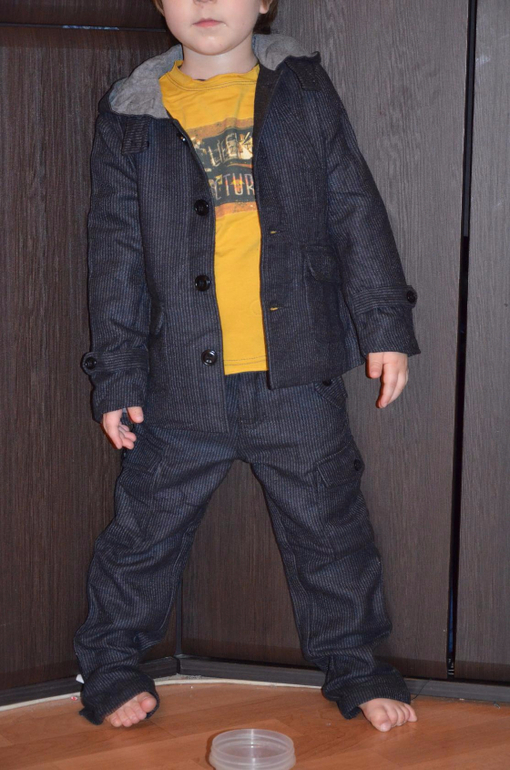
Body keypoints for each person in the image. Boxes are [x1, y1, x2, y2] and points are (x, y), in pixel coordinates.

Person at [74, 0, 421, 733]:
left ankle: (357, 666)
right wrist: (118, 376)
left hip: (296, 378)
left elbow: (353, 205)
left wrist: (384, 324)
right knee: (142, 535)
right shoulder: (132, 111)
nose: (205, 4)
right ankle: (109, 663)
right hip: (177, 386)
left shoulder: (301, 86)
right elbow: (114, 255)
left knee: (331, 531)